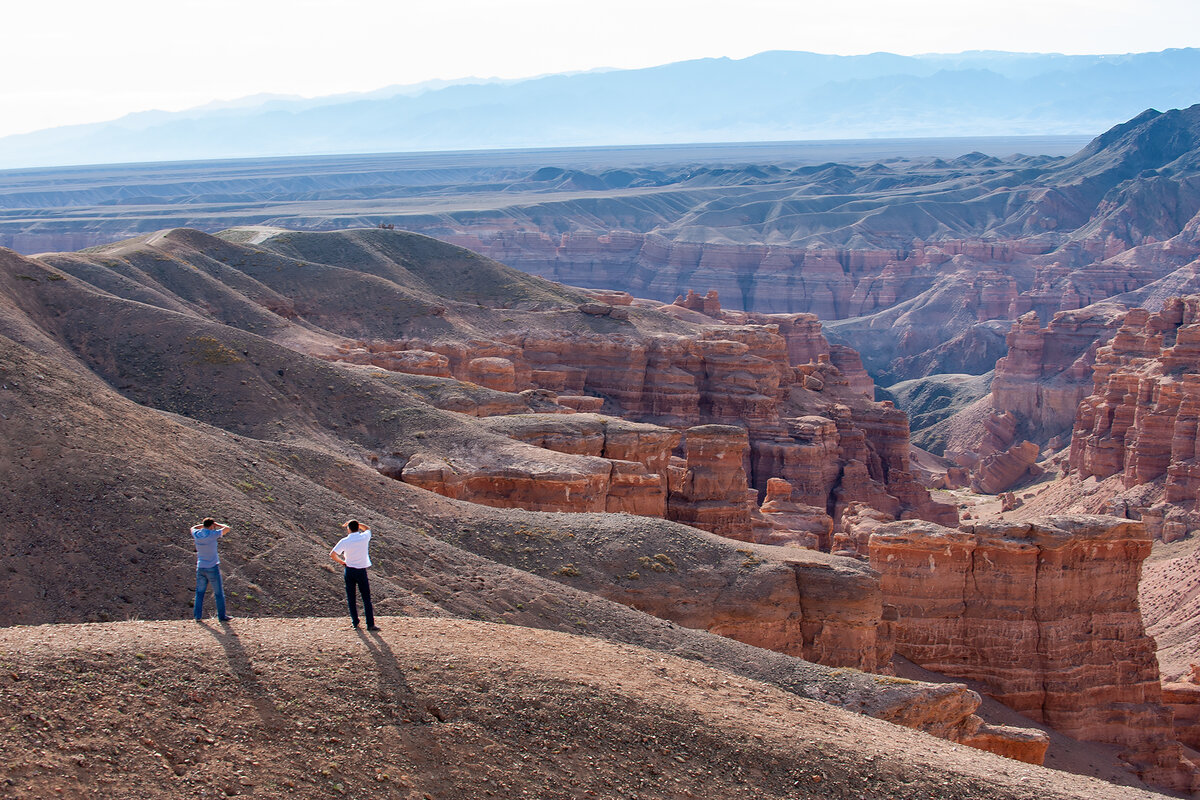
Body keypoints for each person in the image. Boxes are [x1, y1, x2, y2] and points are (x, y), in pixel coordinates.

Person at [330, 519, 378, 631]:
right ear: (357, 527)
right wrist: (359, 524)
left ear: (348, 529)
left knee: (351, 597)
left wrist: (342, 562)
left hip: (350, 570)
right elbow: (368, 529)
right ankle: (370, 624)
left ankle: (355, 622)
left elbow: (332, 554)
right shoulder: (364, 538)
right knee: (366, 598)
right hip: (361, 570)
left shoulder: (345, 541)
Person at [192, 518, 232, 622]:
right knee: (218, 593)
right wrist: (217, 524)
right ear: (212, 526)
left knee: (199, 592)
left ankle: (197, 616)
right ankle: (222, 616)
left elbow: (192, 528)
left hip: (200, 567)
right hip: (212, 567)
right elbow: (227, 528)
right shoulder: (212, 534)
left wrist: (204, 525)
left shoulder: (197, 534)